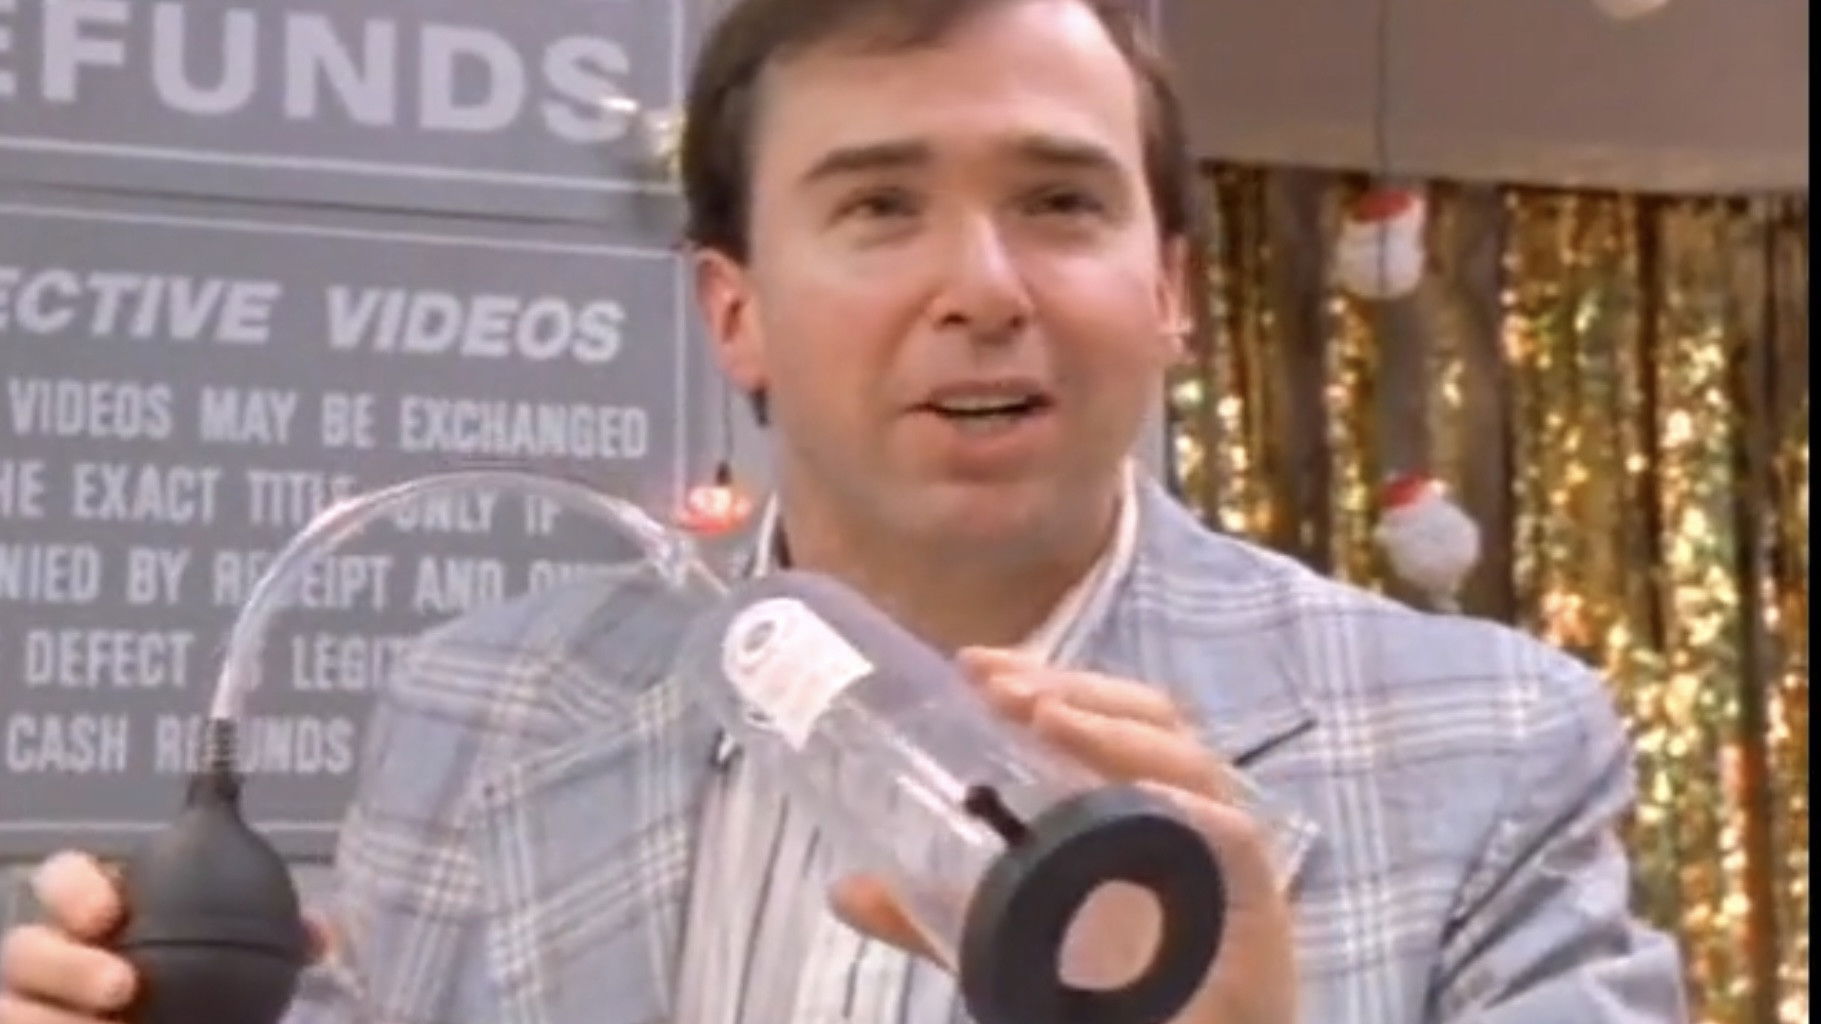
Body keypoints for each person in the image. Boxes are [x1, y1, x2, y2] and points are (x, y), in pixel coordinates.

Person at [0, 0, 1689, 1021]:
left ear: (1169, 289)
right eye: (878, 207)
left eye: (1060, 201)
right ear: (733, 310)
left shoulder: (1488, 745)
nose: (985, 286)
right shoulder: (482, 707)